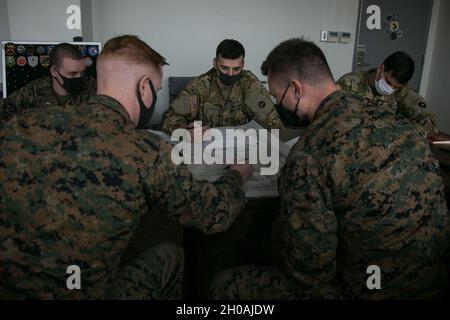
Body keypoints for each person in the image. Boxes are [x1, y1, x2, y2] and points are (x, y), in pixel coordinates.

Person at [0, 35, 253, 299]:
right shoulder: (145, 151)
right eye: (154, 90)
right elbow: (213, 214)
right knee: (171, 255)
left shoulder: (21, 125)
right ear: (144, 87)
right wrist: (237, 174)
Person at [209, 38, 449, 300]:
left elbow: (309, 271)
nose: (278, 105)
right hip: (434, 277)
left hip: (369, 289)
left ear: (296, 89)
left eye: (277, 97)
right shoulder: (402, 125)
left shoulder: (309, 155)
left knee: (224, 285)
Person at [161, 39, 284, 134]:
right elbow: (171, 118)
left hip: (241, 151)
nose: (230, 74)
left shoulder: (249, 84)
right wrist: (187, 132)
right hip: (207, 151)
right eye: (224, 68)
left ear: (243, 64)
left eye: (236, 69)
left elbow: (274, 124)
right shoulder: (200, 86)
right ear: (215, 63)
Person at [337, 51, 438, 137]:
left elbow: (428, 122)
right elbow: (330, 114)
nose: (390, 89)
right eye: (388, 82)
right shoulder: (349, 83)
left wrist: (401, 131)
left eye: (396, 87)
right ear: (381, 69)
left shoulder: (402, 91)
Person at [0, 42, 96, 121]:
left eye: (82, 73)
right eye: (72, 74)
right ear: (54, 71)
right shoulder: (34, 92)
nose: (79, 77)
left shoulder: (93, 88)